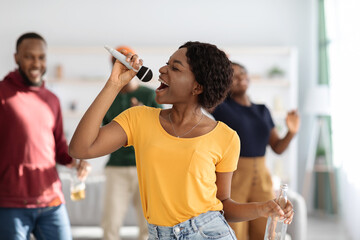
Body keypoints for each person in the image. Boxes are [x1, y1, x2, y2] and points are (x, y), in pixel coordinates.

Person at [69, 41, 294, 240]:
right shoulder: (138, 119)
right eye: (167, 63)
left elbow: (223, 204)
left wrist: (263, 208)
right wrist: (114, 84)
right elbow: (80, 148)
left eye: (174, 68)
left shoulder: (226, 137)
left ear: (197, 87)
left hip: (209, 232)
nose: (161, 69)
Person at [0, 32, 91, 240]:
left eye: (41, 57)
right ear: (16, 58)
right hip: (10, 203)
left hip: (51, 202)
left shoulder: (52, 100)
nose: (36, 63)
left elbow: (60, 149)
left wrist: (76, 162)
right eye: (29, 56)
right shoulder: (2, 94)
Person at [212, 62, 300, 240]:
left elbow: (278, 147)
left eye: (243, 73)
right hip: (234, 176)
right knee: (235, 230)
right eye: (233, 75)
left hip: (262, 176)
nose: (240, 78)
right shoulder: (221, 107)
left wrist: (291, 132)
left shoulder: (262, 110)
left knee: (267, 228)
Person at [101, 46, 161, 240]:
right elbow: (98, 134)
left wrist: (146, 118)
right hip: (116, 168)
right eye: (118, 62)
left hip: (145, 168)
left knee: (149, 225)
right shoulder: (108, 97)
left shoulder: (150, 95)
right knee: (111, 223)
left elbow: (165, 131)